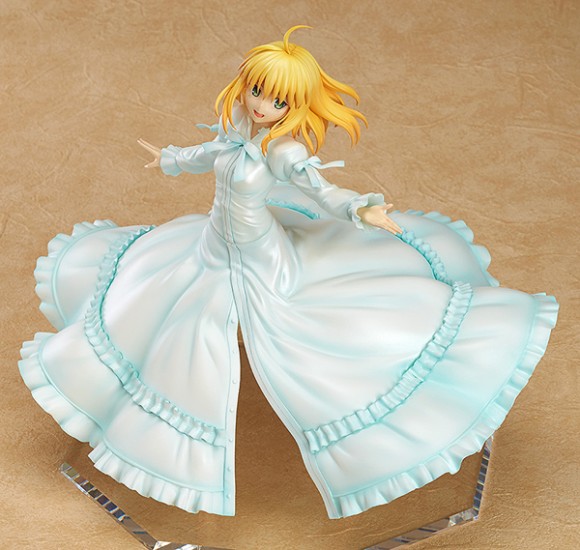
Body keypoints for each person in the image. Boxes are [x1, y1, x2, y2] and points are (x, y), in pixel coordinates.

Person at [19, 25, 558, 519]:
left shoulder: (284, 152)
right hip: (211, 246)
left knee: (299, 338)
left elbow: (321, 191)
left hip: (263, 257)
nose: (262, 106)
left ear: (294, 107)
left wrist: (360, 210)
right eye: (257, 91)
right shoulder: (237, 129)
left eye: (278, 100)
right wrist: (172, 159)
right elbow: (210, 153)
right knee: (159, 316)